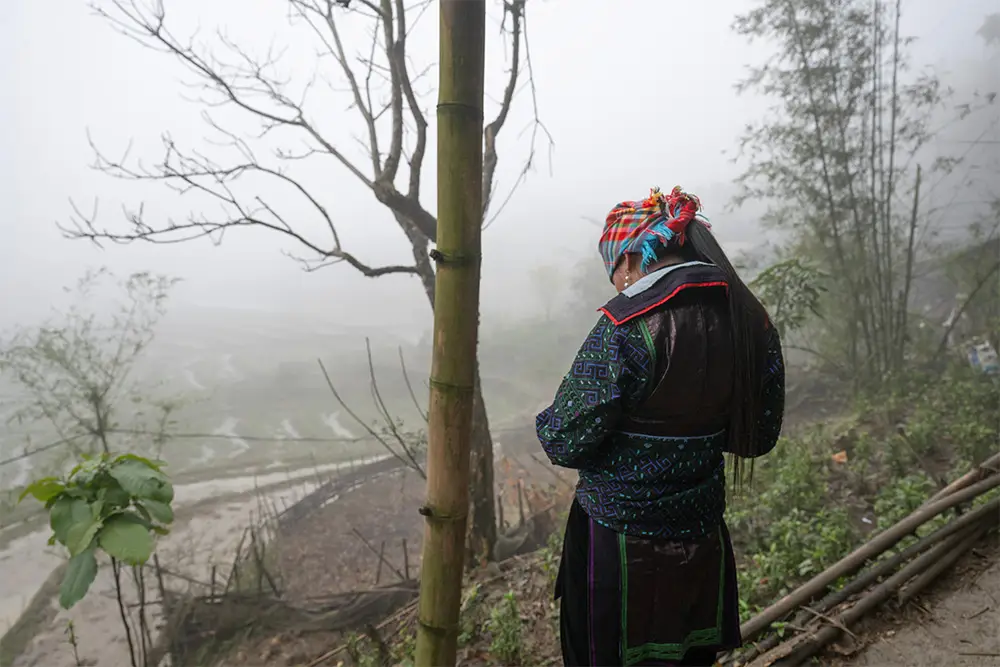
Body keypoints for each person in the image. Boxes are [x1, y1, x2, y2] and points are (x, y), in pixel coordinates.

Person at [536, 187, 785, 667]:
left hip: (618, 541)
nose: (616, 286)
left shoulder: (625, 325)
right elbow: (758, 436)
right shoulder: (751, 319)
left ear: (630, 259)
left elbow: (564, 439)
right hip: (702, 533)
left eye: (614, 273)